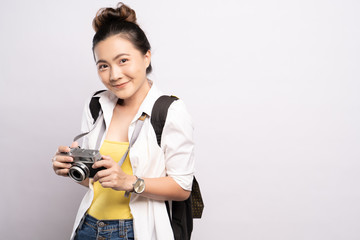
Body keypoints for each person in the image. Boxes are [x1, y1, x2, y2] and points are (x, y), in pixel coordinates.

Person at [51, 2, 195, 240]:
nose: (114, 75)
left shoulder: (169, 110)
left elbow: (182, 188)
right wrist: (71, 169)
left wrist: (129, 181)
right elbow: (96, 182)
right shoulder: (96, 104)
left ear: (146, 57)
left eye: (123, 60)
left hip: (134, 230)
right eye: (103, 66)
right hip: (87, 225)